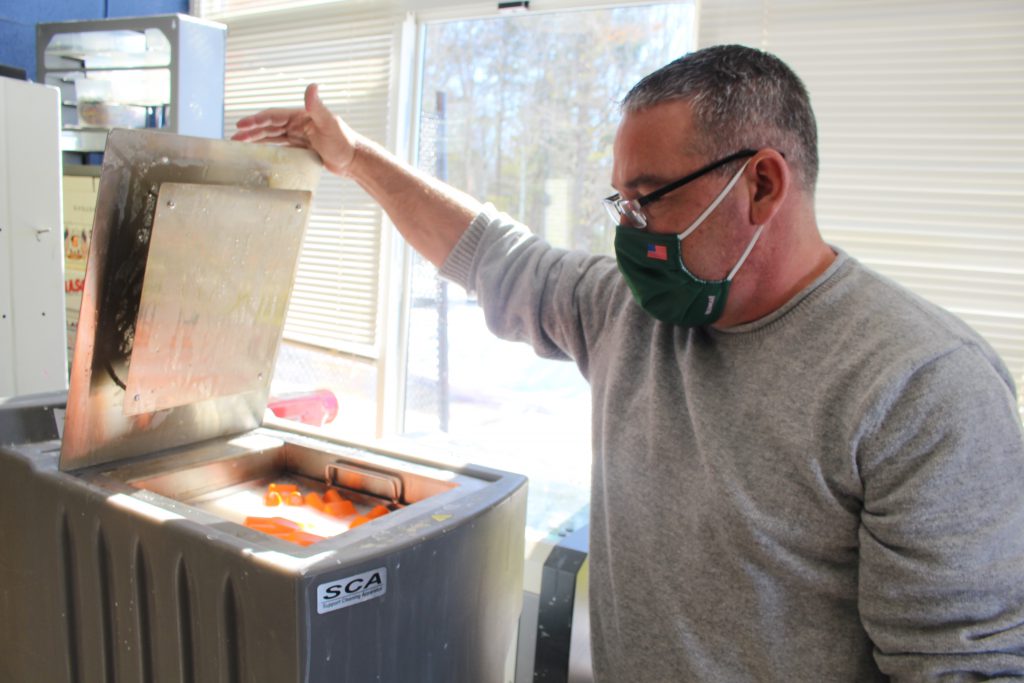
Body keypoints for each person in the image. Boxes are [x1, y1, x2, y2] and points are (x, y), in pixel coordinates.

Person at [234, 44, 1024, 681]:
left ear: (761, 183)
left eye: (651, 197)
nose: (632, 231)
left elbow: (962, 663)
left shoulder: (922, 386)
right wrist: (355, 157)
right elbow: (492, 256)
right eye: (622, 203)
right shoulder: (633, 313)